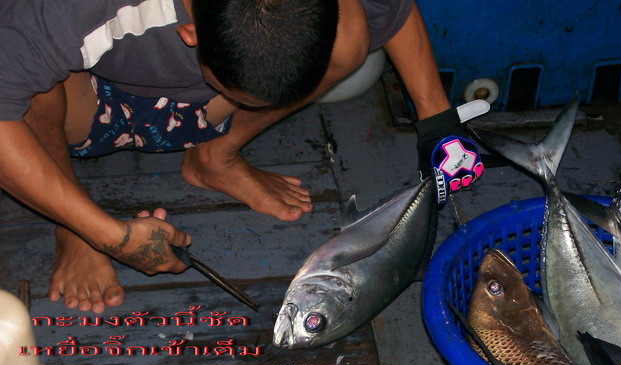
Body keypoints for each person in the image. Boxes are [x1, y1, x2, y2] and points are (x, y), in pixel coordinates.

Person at [0, 0, 481, 314]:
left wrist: (439, 122)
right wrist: (109, 235)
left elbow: (393, 9)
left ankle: (216, 157)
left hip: (206, 107)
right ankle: (71, 223)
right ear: (190, 35)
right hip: (88, 99)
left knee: (353, 34)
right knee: (30, 88)